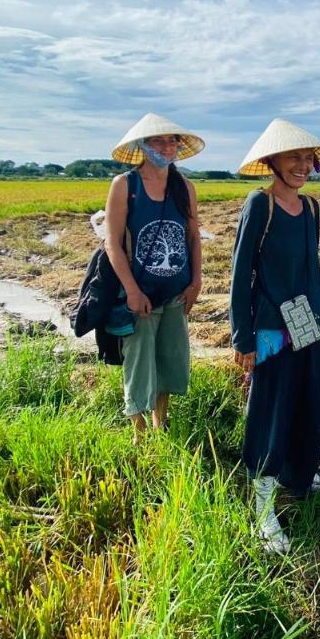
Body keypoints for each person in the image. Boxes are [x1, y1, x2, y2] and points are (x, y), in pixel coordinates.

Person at [230, 118, 320, 554]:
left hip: (307, 320)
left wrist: (319, 321)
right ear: (271, 161)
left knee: (308, 400)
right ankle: (261, 506)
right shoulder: (261, 205)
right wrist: (243, 337)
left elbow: (311, 270)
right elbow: (239, 275)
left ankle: (299, 473)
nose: (302, 165)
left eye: (307, 157)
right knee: (270, 411)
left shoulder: (311, 208)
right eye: (293, 157)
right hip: (272, 324)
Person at [103, 113, 204, 443]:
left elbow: (192, 237)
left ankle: (162, 420)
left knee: (170, 359)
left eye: (171, 141)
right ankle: (139, 430)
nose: (166, 147)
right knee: (139, 361)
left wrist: (196, 282)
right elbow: (112, 243)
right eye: (158, 141)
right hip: (141, 295)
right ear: (142, 146)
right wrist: (131, 290)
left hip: (176, 292)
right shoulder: (125, 186)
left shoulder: (184, 187)